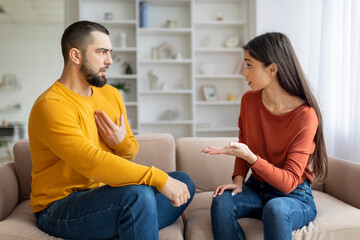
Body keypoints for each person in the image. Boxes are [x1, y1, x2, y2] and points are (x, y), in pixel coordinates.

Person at [28, 20, 195, 240]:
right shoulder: (51, 106)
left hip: (108, 196)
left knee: (183, 181)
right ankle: (133, 222)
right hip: (60, 208)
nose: (109, 61)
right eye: (101, 52)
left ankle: (131, 224)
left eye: (110, 52)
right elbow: (92, 163)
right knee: (139, 196)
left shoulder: (111, 94)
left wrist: (119, 142)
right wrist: (159, 178)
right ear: (76, 56)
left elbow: (130, 151)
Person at [201, 32, 328, 240]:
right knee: (221, 201)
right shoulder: (249, 101)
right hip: (256, 188)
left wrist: (252, 158)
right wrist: (239, 180)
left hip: (293, 195)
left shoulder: (305, 115)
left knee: (276, 209)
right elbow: (244, 141)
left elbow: (288, 182)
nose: (244, 73)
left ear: (272, 69)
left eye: (249, 65)